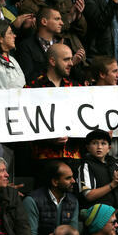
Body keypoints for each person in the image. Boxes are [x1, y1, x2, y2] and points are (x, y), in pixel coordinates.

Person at [25, 43, 82, 179]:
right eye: (66, 59)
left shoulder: (77, 88)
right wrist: (49, 138)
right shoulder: (32, 88)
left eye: (70, 59)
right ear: (52, 61)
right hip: (43, 159)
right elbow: (25, 123)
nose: (71, 63)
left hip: (73, 156)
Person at [78, 129, 118, 216]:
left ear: (109, 148)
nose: (99, 147)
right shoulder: (86, 166)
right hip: (97, 215)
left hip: (117, 214)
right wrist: (112, 185)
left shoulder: (114, 165)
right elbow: (89, 196)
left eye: (103, 143)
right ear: (88, 148)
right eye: (94, 143)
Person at [23, 160, 79, 235]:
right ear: (55, 182)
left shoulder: (73, 201)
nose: (73, 181)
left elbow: (73, 233)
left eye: (72, 177)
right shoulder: (32, 201)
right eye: (68, 178)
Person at [16, 6, 65, 84]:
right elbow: (28, 78)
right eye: (57, 19)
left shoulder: (63, 44)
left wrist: (72, 63)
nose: (62, 23)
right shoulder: (26, 46)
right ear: (44, 22)